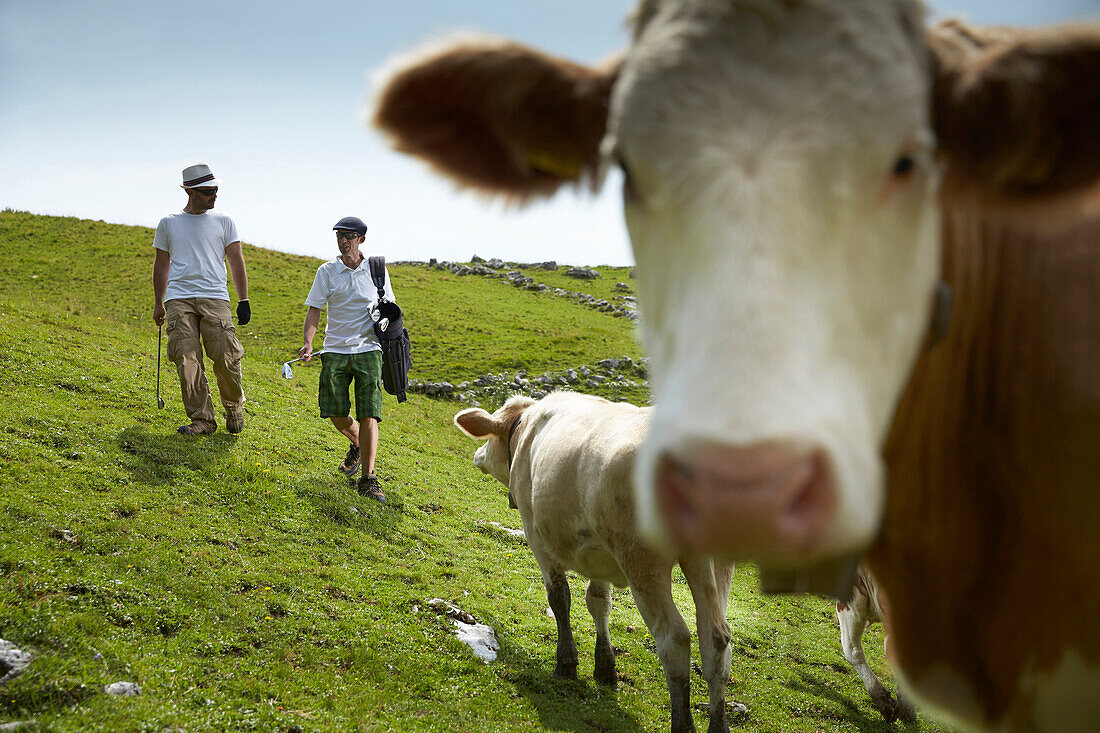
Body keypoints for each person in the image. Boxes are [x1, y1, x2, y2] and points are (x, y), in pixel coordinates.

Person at [299, 216, 394, 502]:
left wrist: (391, 339)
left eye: (349, 236)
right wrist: (307, 342)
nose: (343, 241)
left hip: (368, 349)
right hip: (335, 349)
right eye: (339, 236)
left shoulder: (377, 270)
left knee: (370, 412)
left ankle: (369, 478)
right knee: (333, 409)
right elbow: (314, 310)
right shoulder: (326, 271)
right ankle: (357, 443)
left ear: (360, 239)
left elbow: (390, 308)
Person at [152, 163, 250, 436]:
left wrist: (244, 300)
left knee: (226, 357)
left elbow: (236, 261)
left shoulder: (224, 221)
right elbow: (161, 265)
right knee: (186, 359)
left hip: (215, 297)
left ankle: (233, 408)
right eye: (208, 191)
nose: (214, 195)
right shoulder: (168, 223)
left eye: (216, 190)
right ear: (190, 192)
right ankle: (202, 420)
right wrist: (159, 302)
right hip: (178, 299)